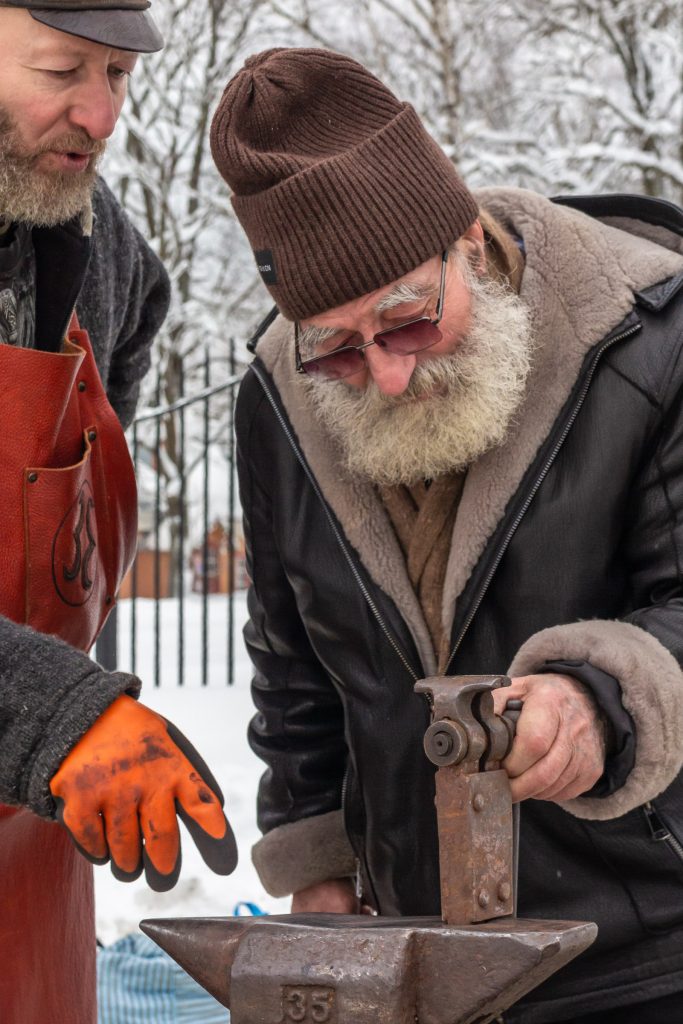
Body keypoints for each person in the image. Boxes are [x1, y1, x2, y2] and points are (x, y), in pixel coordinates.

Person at [210, 47, 683, 1024]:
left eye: (407, 322)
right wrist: (320, 873)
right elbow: (291, 652)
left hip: (643, 950)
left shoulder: (649, 342)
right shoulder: (279, 396)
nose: (383, 375)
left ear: (465, 239)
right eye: (335, 348)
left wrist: (597, 702)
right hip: (412, 952)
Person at [0, 4, 237, 1023]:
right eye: (60, 69)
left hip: (33, 885)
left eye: (119, 76)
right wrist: (47, 710)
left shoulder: (101, 255)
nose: (98, 115)